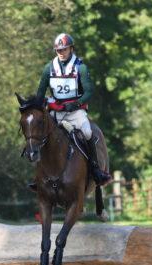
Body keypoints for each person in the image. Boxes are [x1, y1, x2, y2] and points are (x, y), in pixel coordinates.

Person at [32, 33, 111, 190]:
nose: (61, 53)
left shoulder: (80, 67)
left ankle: (95, 170)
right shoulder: (49, 68)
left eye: (64, 49)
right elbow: (40, 92)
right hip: (55, 112)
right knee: (38, 134)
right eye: (58, 50)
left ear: (71, 49)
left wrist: (75, 104)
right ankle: (39, 175)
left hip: (75, 112)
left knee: (88, 132)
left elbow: (89, 91)